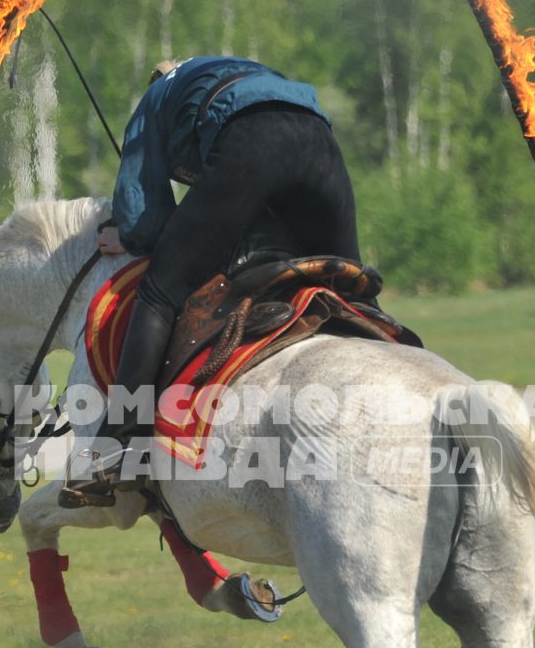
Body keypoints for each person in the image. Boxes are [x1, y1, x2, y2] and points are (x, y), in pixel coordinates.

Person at [62, 56, 360, 507]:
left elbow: (144, 219)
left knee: (161, 291)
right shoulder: (248, 71)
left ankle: (116, 448)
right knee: (347, 284)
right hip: (321, 144)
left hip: (254, 145)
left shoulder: (154, 101)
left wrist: (127, 234)